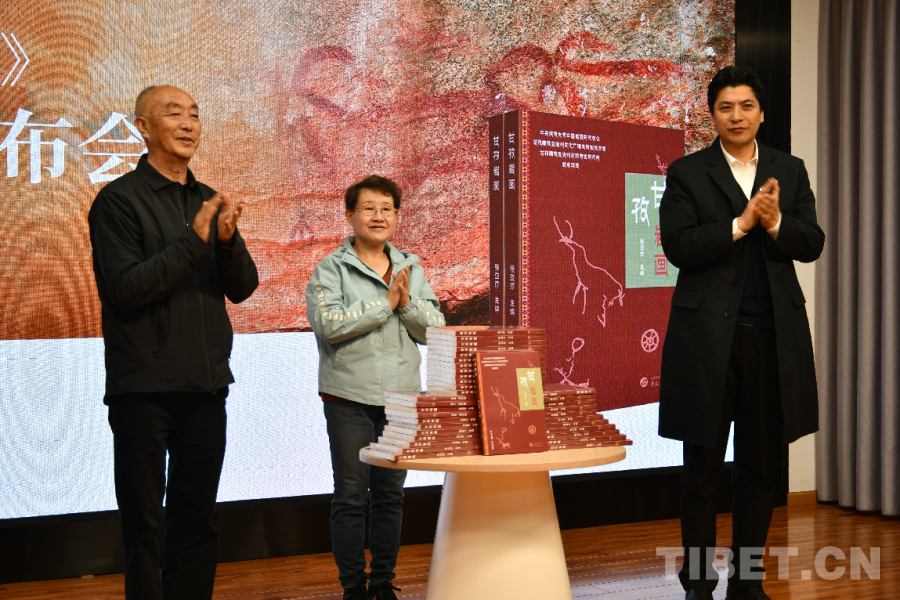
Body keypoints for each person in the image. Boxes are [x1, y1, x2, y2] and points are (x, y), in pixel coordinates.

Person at [658, 66, 824, 600]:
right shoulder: (687, 172)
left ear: (762, 113)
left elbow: (812, 242)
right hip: (706, 343)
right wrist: (741, 224)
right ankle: (699, 585)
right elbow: (678, 247)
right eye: (726, 107)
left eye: (746, 106)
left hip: (772, 339)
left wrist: (774, 223)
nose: (737, 116)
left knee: (759, 470)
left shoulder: (789, 170)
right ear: (712, 114)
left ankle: (747, 583)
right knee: (701, 472)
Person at [88, 85, 259, 599]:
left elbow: (243, 287)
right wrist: (195, 242)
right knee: (144, 523)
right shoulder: (118, 200)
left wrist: (224, 242)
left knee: (197, 519)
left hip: (205, 385)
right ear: (143, 127)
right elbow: (126, 289)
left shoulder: (208, 200)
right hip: (143, 387)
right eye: (173, 114)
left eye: (194, 115)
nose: (187, 124)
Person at [305, 175, 445, 600]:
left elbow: (435, 328)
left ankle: (383, 581)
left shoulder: (411, 268)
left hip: (401, 398)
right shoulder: (330, 268)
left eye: (386, 209)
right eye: (368, 208)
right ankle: (353, 585)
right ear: (350, 215)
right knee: (350, 495)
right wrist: (384, 304)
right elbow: (328, 325)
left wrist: (407, 304)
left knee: (390, 496)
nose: (378, 216)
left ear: (397, 216)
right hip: (348, 397)